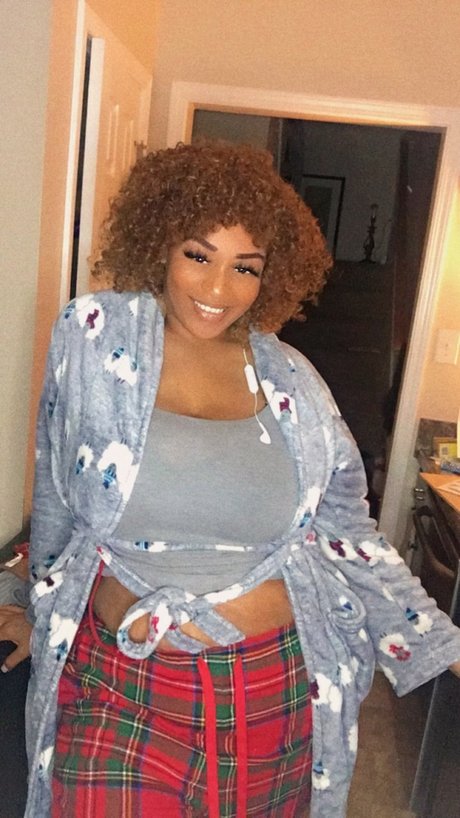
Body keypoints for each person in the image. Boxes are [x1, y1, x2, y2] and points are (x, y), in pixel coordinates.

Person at [1, 140, 460, 818]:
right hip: (120, 683)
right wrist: (26, 598)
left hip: (270, 689)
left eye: (245, 267)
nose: (219, 290)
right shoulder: (94, 337)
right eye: (198, 255)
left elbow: (349, 536)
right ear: (160, 242)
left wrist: (447, 647)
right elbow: (58, 498)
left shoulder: (295, 384)